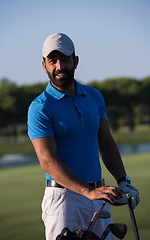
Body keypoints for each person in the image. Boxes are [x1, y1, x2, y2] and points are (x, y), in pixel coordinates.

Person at [27, 33, 140, 240]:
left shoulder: (94, 96)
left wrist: (123, 180)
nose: (59, 66)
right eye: (53, 61)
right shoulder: (40, 107)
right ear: (44, 65)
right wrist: (87, 192)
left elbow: (106, 142)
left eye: (65, 59)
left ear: (76, 61)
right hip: (63, 200)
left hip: (99, 195)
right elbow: (47, 160)